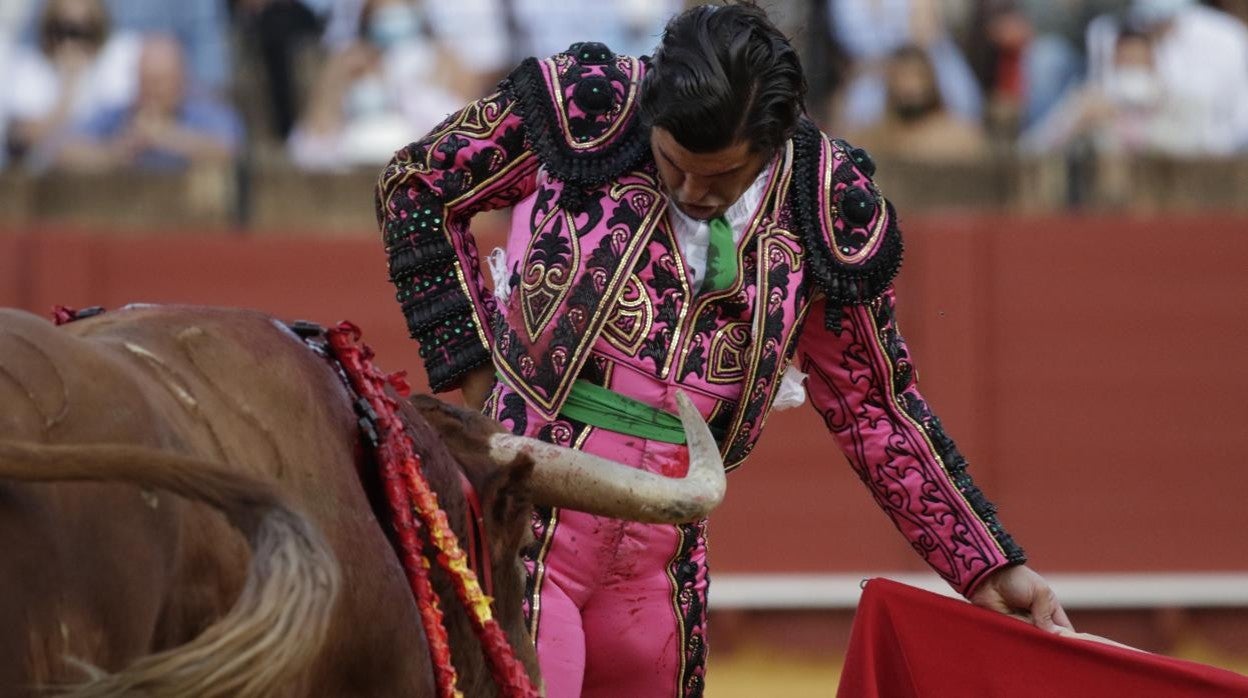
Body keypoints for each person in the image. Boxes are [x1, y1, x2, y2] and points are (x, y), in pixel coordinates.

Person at [375, 3, 1071, 696]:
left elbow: (875, 407)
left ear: (771, 146)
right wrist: (474, 380)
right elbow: (415, 185)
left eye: (719, 178)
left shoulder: (822, 201)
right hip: (526, 523)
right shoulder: (594, 103)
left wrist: (985, 565)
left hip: (664, 558)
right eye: (673, 163)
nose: (688, 191)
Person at [55, 35, 241, 171]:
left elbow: (231, 151)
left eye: (160, 82)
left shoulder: (207, 113)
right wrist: (115, 152)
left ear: (181, 81)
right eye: (145, 81)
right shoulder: (117, 114)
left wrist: (167, 137)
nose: (151, 91)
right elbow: (63, 151)